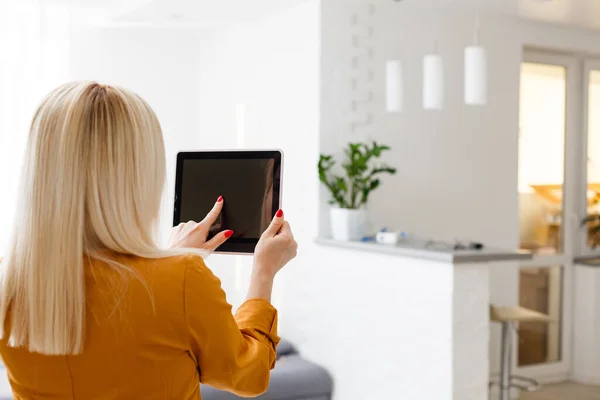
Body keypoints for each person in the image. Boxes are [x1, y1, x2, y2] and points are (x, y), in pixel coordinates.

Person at [0, 82, 298, 399]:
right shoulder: (182, 279)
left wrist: (170, 260)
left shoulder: (10, 281)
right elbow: (248, 376)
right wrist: (263, 272)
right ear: (138, 174)